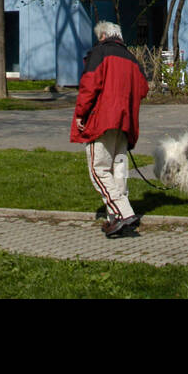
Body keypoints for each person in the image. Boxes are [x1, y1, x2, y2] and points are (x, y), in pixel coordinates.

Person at [70, 19, 149, 238]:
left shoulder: (100, 53)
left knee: (99, 170)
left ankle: (123, 213)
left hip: (102, 119)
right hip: (125, 122)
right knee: (118, 170)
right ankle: (116, 219)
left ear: (103, 36)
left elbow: (89, 86)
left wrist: (80, 114)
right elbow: (143, 89)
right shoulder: (132, 59)